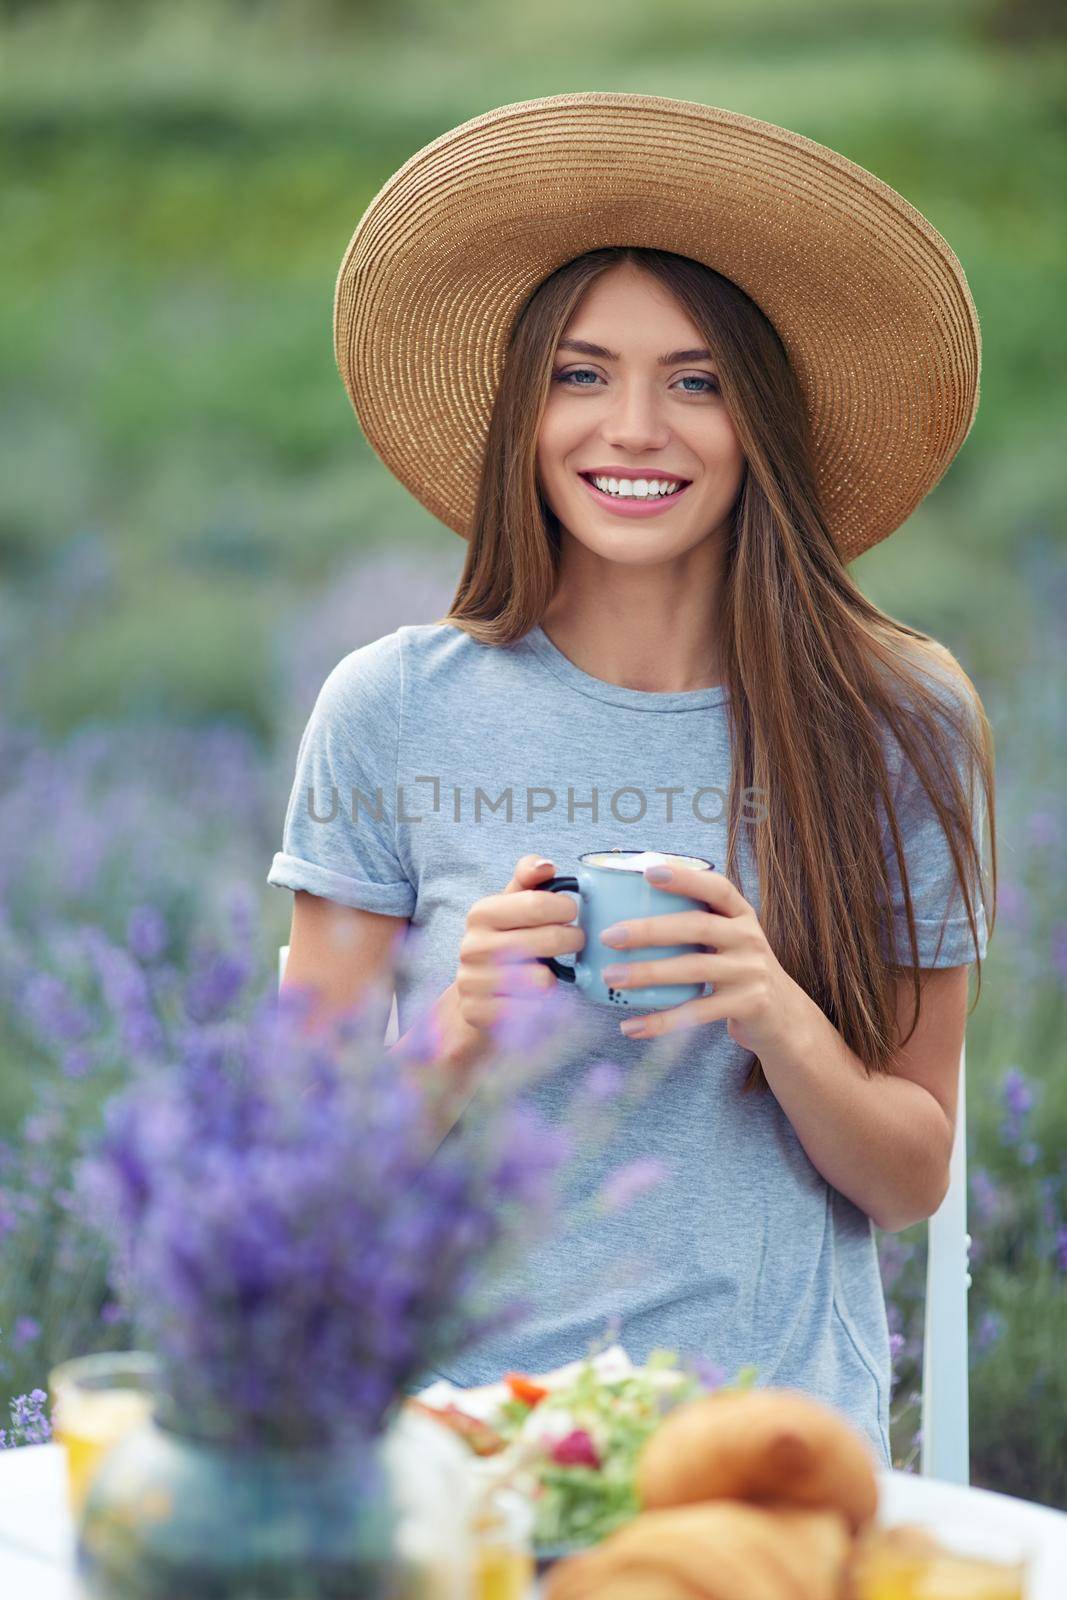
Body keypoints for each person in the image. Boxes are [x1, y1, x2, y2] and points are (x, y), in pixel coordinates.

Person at [267, 95, 996, 1467]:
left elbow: (910, 1172)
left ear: (761, 419)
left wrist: (775, 1014)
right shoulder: (390, 709)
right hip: (452, 1450)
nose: (638, 428)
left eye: (701, 380)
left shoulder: (898, 721)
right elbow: (290, 1178)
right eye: (582, 374)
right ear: (523, 411)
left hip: (769, 1449)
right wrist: (456, 1041)